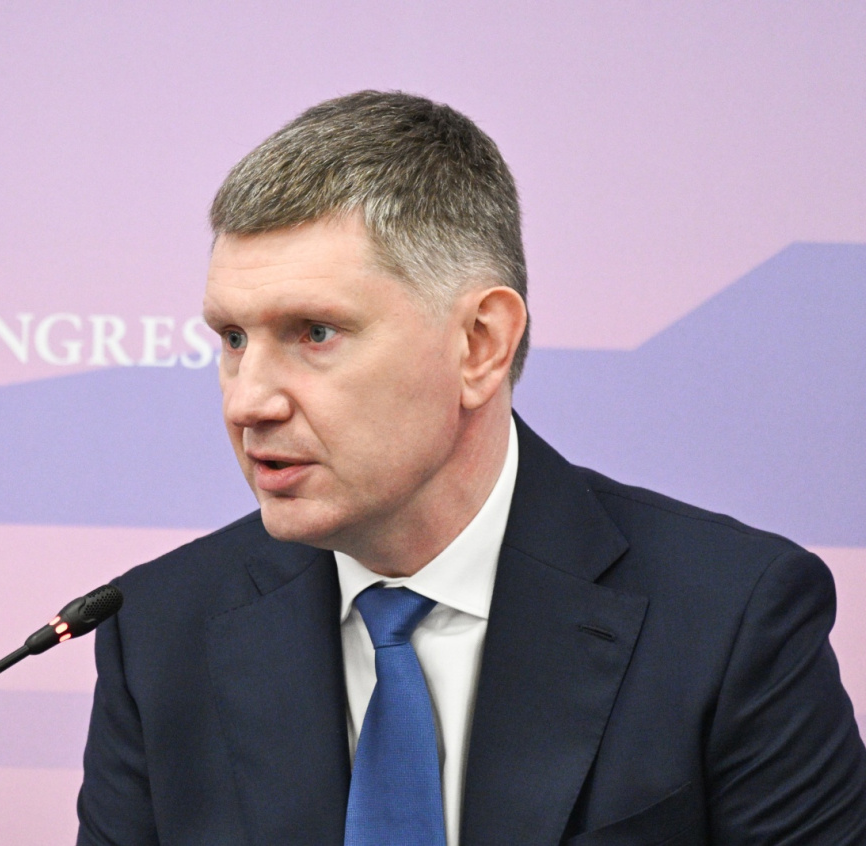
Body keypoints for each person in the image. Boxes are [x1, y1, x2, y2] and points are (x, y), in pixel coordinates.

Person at [75, 91, 866, 845]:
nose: (248, 401)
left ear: (481, 344)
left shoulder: (729, 620)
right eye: (233, 339)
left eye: (314, 332)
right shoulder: (158, 633)